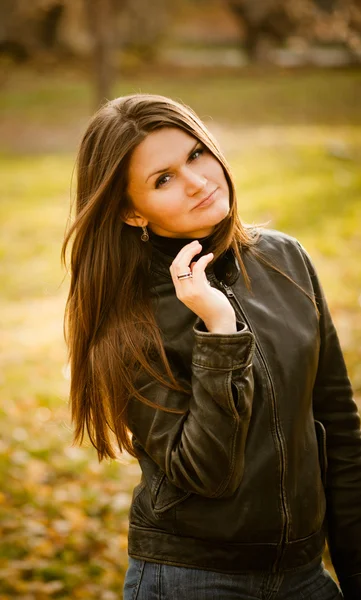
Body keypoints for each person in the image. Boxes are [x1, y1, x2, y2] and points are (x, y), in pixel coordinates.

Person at [62, 94, 361, 600]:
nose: (198, 181)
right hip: (194, 579)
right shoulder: (128, 317)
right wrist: (218, 330)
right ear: (132, 213)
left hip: (306, 576)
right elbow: (206, 472)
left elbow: (338, 425)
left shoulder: (285, 258)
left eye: (196, 154)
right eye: (164, 179)